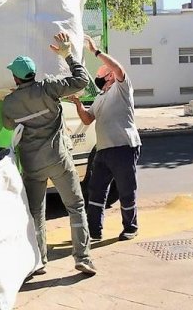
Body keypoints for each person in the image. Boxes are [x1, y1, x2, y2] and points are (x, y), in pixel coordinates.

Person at [2, 32, 96, 276]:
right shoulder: (49, 88)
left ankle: (39, 261)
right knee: (75, 206)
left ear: (15, 77)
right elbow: (82, 80)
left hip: (32, 165)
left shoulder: (9, 102)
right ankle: (83, 257)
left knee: (36, 213)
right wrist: (67, 55)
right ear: (33, 73)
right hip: (59, 159)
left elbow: (10, 126)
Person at [69, 35, 141, 242]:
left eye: (101, 73)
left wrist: (96, 51)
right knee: (96, 191)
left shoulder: (122, 88)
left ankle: (130, 227)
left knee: (127, 189)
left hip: (123, 147)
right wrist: (77, 104)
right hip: (103, 150)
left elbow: (119, 68)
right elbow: (87, 118)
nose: (98, 77)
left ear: (110, 75)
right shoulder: (101, 97)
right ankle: (94, 231)